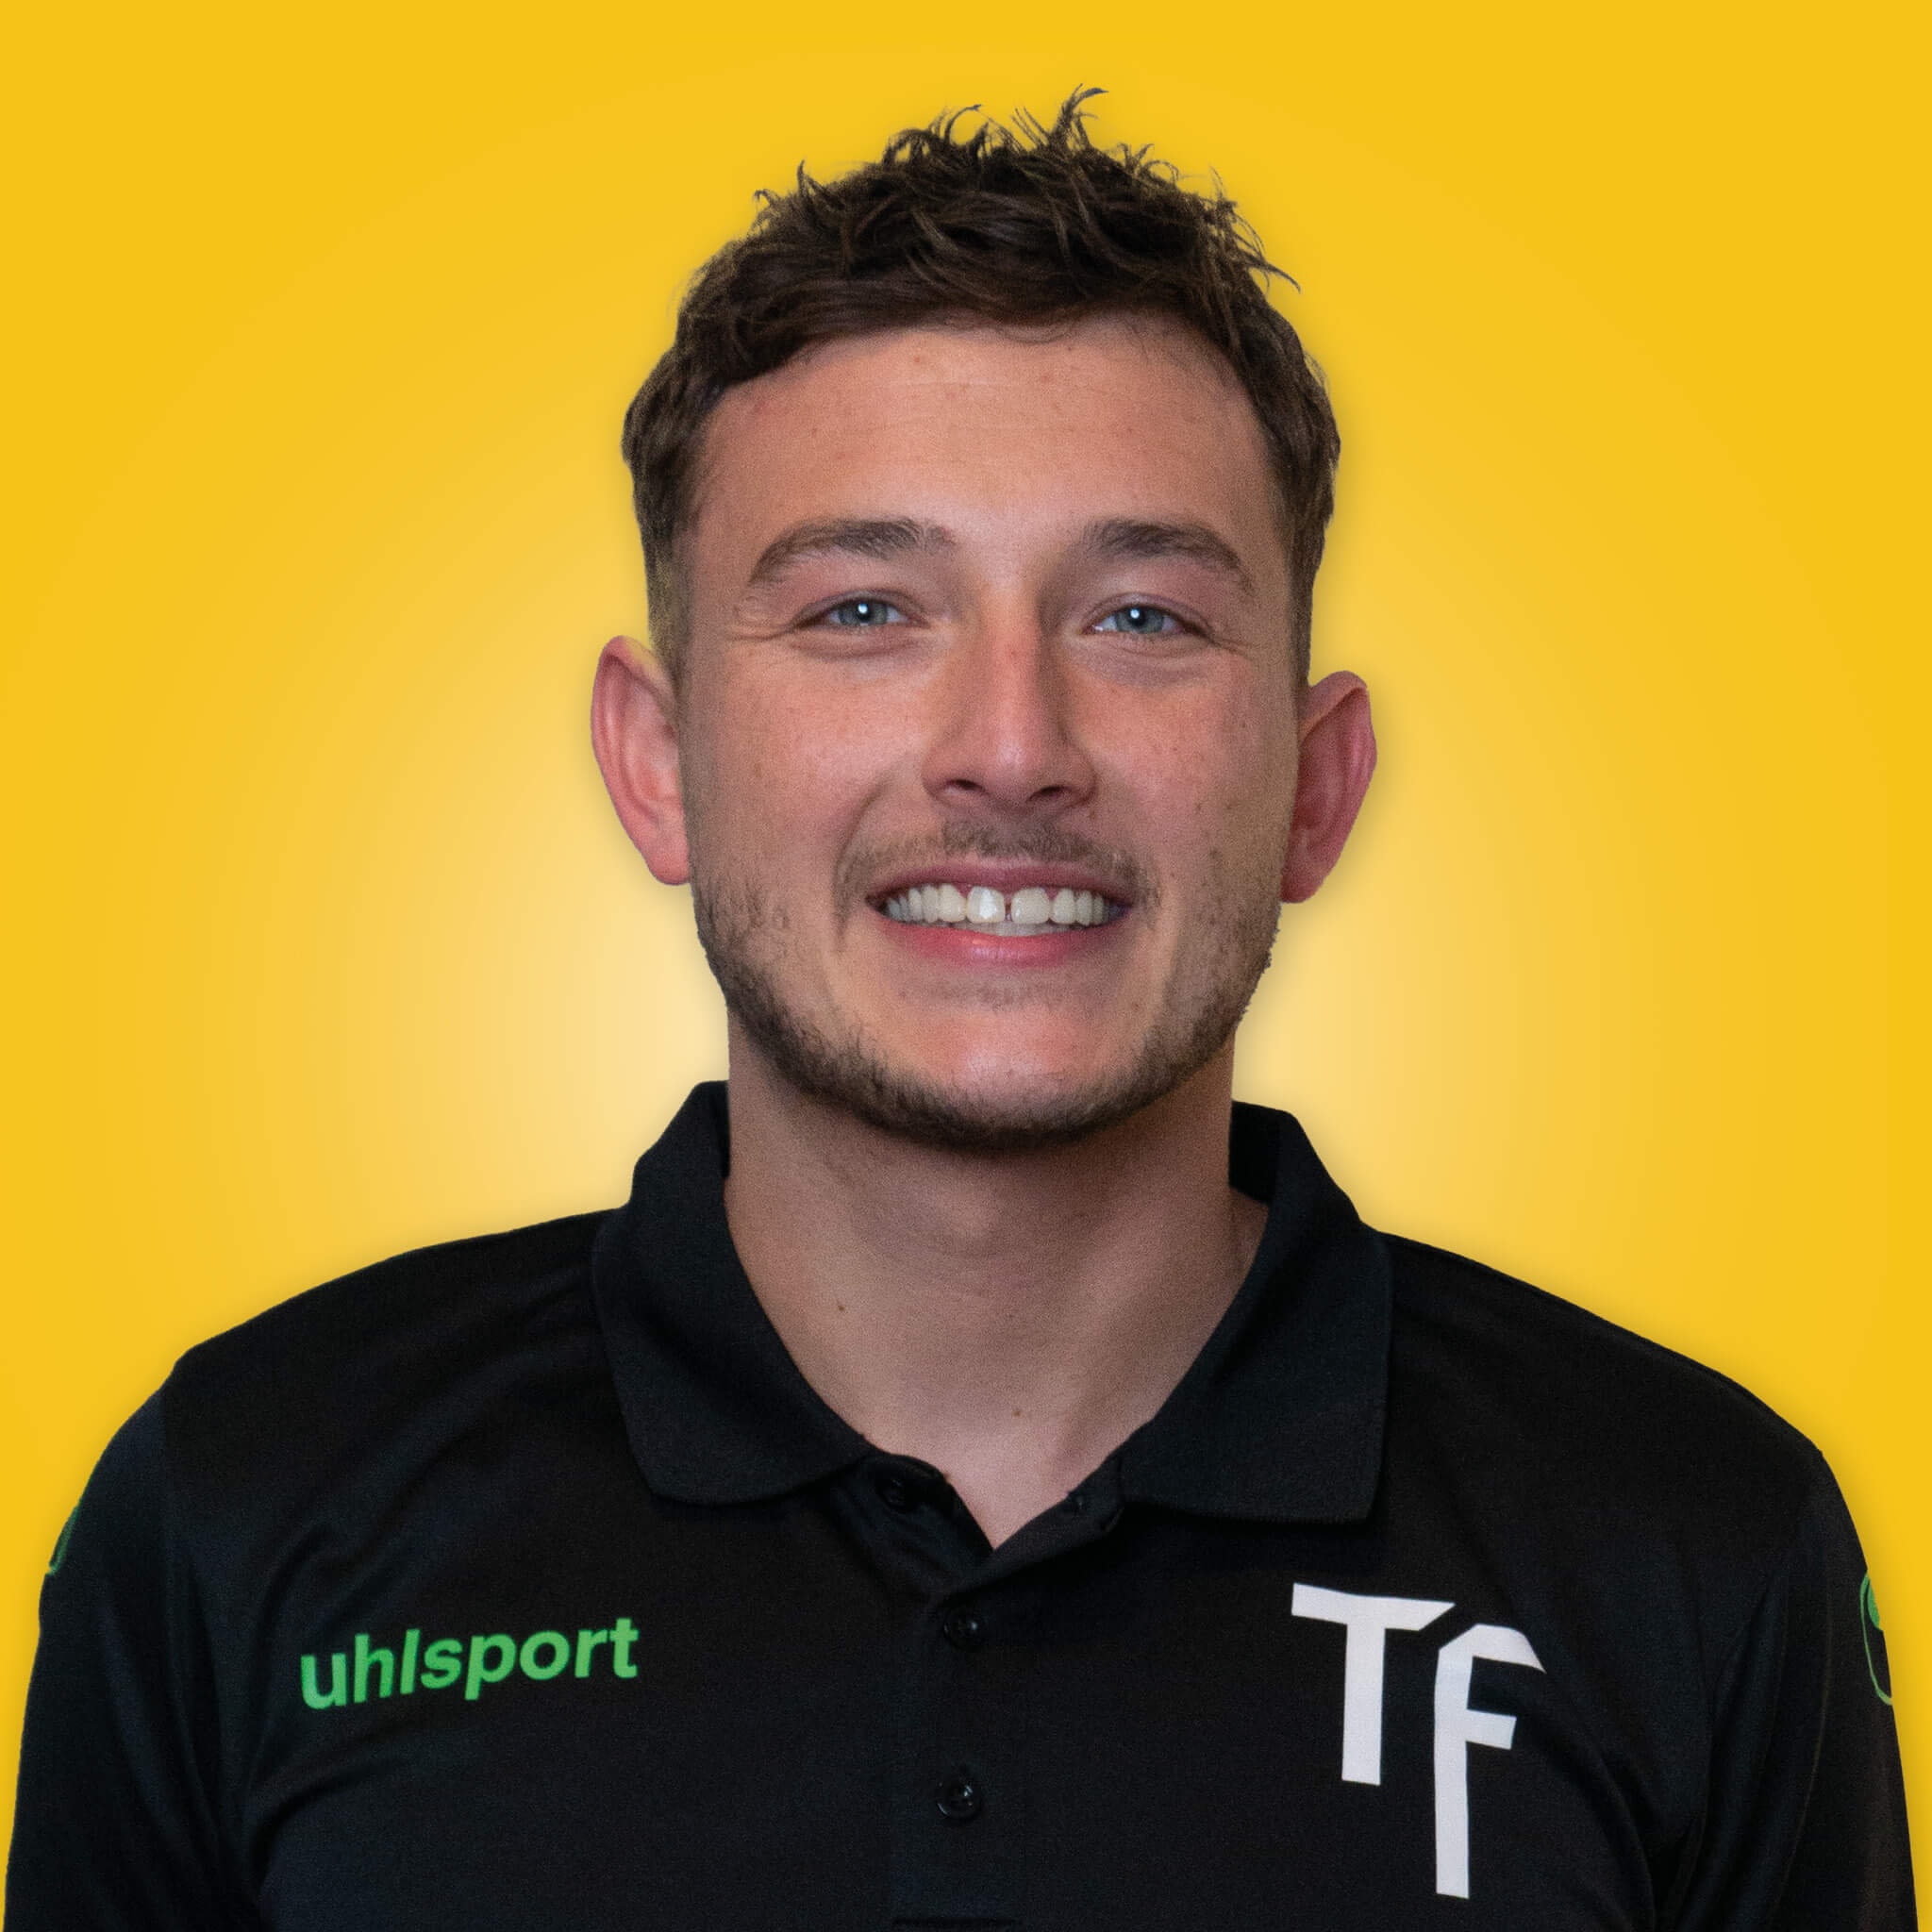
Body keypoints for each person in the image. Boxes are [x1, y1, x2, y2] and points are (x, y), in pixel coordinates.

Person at [6, 92, 1913, 1929]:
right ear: (658, 764)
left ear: (1314, 786)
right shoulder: (243, 1503)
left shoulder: (1693, 1543)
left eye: (1143, 617)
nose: (1011, 745)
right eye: (862, 611)